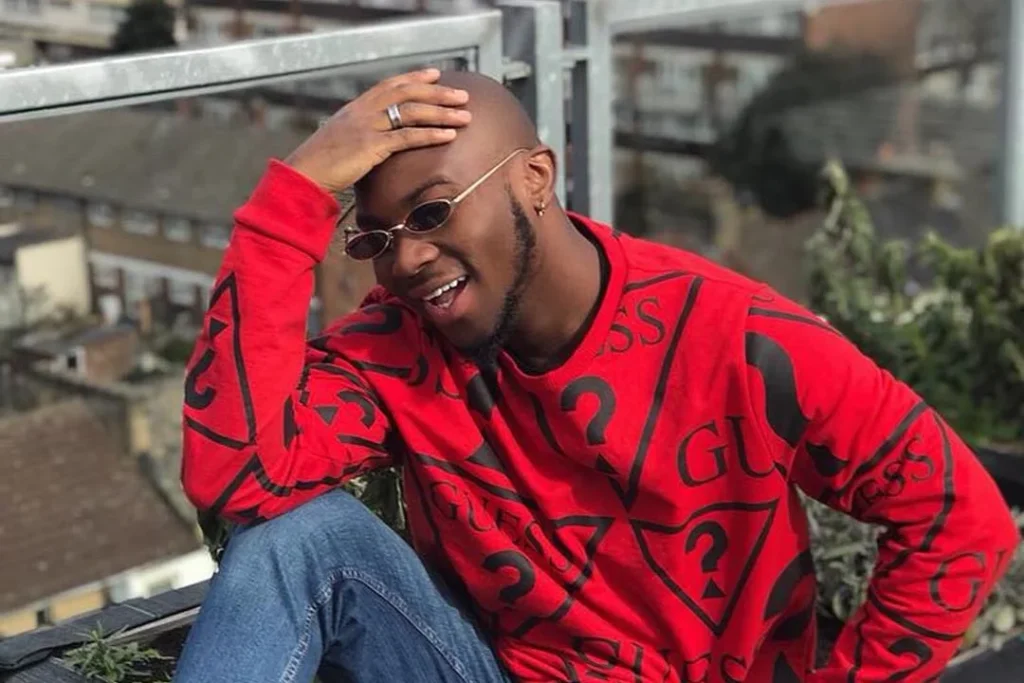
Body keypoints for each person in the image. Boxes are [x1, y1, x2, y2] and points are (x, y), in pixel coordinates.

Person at [173, 68, 1019, 683]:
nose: (406, 259)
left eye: (432, 212)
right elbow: (239, 475)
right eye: (377, 238)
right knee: (292, 538)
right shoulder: (403, 344)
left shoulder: (736, 337)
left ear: (535, 178)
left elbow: (959, 517)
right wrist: (298, 190)